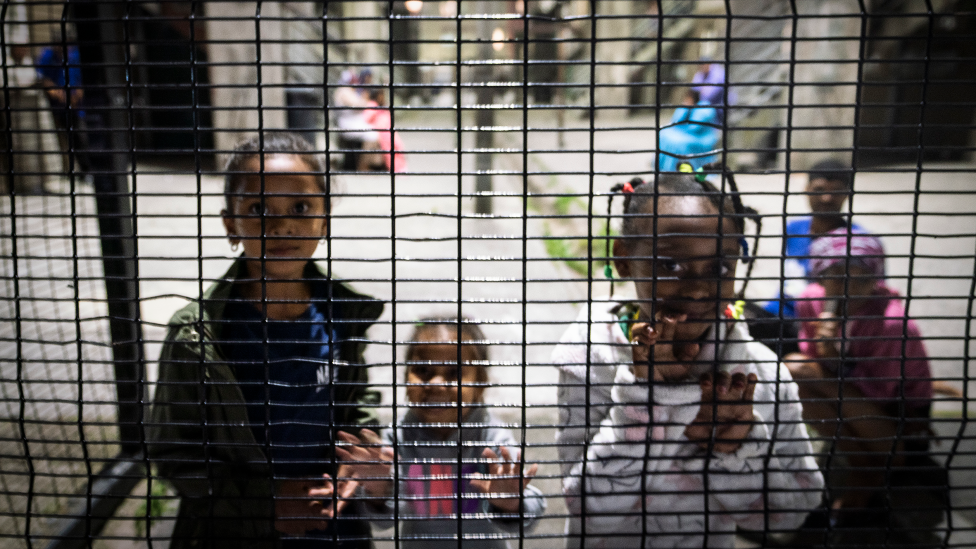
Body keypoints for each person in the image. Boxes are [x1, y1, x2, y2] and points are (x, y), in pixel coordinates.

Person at [553, 169, 824, 548]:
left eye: (720, 268)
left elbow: (790, 514)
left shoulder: (758, 374)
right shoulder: (588, 357)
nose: (698, 290)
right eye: (671, 265)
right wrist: (644, 398)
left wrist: (737, 453)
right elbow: (585, 506)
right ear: (625, 259)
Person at [148, 133, 383, 549]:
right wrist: (266, 504)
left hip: (336, 531)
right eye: (258, 209)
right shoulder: (195, 336)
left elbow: (355, 405)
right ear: (230, 225)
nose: (282, 225)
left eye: (300, 207)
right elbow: (172, 450)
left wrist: (365, 455)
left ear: (324, 221)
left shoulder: (343, 317)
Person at [337, 318, 546, 549]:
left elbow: (531, 507)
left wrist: (511, 503)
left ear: (481, 384)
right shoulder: (398, 438)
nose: (436, 383)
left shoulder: (492, 439)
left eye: (454, 372)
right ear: (406, 379)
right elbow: (383, 521)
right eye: (423, 370)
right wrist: (378, 489)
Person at [784, 229, 935, 522]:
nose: (848, 289)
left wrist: (834, 360)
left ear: (875, 279)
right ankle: (861, 462)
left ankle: (887, 459)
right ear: (820, 276)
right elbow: (814, 366)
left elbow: (880, 392)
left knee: (797, 369)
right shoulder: (810, 302)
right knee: (792, 377)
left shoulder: (892, 324)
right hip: (849, 398)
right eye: (837, 277)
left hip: (894, 414)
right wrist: (821, 348)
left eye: (861, 279)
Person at [764, 159, 863, 319]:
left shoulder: (859, 243)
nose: (826, 198)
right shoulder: (794, 229)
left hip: (821, 321)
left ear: (847, 194)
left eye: (836, 191)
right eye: (819, 189)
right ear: (806, 189)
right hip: (782, 312)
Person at [36, 31, 88, 173]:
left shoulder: (75, 55)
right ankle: (70, 169)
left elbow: (82, 78)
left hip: (76, 104)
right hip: (58, 105)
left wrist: (77, 94)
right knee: (64, 137)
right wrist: (55, 92)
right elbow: (42, 77)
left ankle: (86, 169)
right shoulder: (48, 56)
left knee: (80, 136)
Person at [656, 89, 721, 173]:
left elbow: (695, 128)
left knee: (679, 143)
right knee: (664, 135)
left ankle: (680, 169)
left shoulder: (705, 109)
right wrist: (685, 108)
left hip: (701, 136)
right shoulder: (687, 106)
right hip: (686, 131)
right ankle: (665, 167)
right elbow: (675, 121)